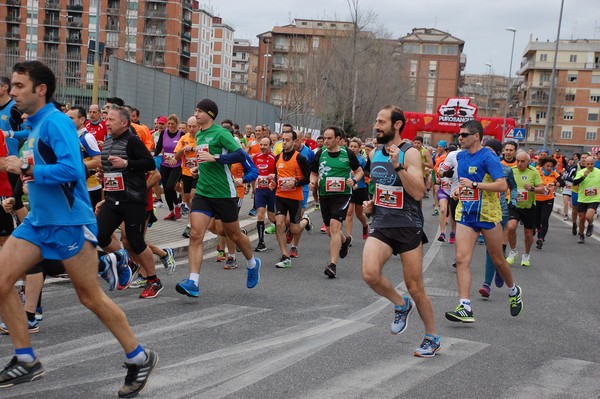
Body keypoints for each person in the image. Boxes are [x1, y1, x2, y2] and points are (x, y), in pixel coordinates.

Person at [0, 61, 157, 396]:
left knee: (90, 297)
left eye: (18, 86)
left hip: (69, 223)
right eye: (11, 86)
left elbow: (71, 170)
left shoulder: (56, 122)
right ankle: (25, 358)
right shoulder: (35, 124)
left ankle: (139, 356)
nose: (11, 92)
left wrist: (26, 166)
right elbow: (33, 166)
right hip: (37, 223)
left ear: (40, 89)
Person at [361, 105, 440, 357]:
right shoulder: (374, 153)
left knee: (415, 286)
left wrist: (399, 166)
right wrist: (371, 204)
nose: (377, 125)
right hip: (382, 223)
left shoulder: (411, 153)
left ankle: (432, 337)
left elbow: (418, 192)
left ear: (396, 125)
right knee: (370, 274)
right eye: (376, 120)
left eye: (382, 121)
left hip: (408, 225)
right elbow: (380, 186)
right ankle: (400, 303)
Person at [176, 99, 261, 298]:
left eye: (199, 111)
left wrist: (216, 159)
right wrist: (200, 168)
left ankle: (252, 263)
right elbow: (206, 159)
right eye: (195, 110)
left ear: (210, 114)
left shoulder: (221, 134)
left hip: (224, 193)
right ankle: (193, 282)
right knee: (196, 234)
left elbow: (240, 155)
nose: (195, 114)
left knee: (233, 235)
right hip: (204, 193)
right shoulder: (200, 135)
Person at [445, 120, 523, 323]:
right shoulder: (460, 156)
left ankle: (513, 291)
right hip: (466, 213)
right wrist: (458, 191)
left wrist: (476, 184)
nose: (459, 138)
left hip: (488, 214)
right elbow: (463, 185)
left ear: (476, 136)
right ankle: (465, 306)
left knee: (497, 259)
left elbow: (501, 185)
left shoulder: (488, 157)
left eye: (463, 135)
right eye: (458, 135)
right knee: (462, 259)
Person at [96, 106, 163, 299]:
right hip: (113, 198)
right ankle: (127, 263)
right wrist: (104, 176)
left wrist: (127, 164)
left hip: (133, 199)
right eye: (106, 119)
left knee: (135, 241)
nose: (107, 122)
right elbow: (111, 171)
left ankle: (153, 280)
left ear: (124, 123)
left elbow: (149, 164)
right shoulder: (108, 143)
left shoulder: (132, 140)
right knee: (99, 236)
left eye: (111, 120)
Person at [310, 126, 363, 278]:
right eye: (324, 138)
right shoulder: (321, 153)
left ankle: (332, 265)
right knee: (330, 231)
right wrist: (313, 182)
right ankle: (345, 240)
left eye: (329, 138)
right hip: (325, 195)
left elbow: (359, 171)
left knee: (334, 226)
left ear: (338, 139)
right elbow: (313, 173)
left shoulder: (348, 154)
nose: (325, 141)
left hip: (343, 195)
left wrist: (353, 180)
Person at [477, 139, 518, 298]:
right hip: (482, 211)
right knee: (491, 249)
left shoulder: (505, 170)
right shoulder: (478, 167)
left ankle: (488, 283)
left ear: (497, 153)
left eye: (491, 151)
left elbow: (513, 187)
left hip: (501, 211)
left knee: (493, 250)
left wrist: (513, 200)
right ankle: (495, 273)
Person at [269, 130, 311, 269]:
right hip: (280, 196)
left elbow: (307, 178)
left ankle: (306, 221)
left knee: (294, 229)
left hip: (295, 198)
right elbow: (276, 176)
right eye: (283, 140)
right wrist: (273, 184)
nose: (284, 142)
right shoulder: (277, 158)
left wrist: (295, 183)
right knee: (279, 223)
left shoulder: (300, 158)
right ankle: (285, 256)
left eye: (287, 140)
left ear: (294, 142)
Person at [505, 150, 544, 267]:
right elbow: (504, 185)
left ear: (528, 162)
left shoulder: (534, 172)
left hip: (528, 206)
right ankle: (513, 251)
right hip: (514, 204)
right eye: (518, 161)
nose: (519, 163)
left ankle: (526, 254)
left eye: (522, 161)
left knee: (528, 234)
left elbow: (541, 189)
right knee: (511, 227)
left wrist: (532, 189)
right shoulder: (511, 171)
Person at [66, 106, 102, 209]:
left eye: (71, 118)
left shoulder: (87, 137)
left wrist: (74, 166)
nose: (67, 121)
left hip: (90, 188)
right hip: (75, 187)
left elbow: (98, 161)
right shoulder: (69, 136)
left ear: (82, 120)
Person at [154, 114, 183, 220]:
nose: (171, 126)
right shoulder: (164, 133)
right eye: (169, 123)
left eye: (173, 124)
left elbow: (183, 149)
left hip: (176, 165)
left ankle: (177, 206)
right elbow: (159, 148)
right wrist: (153, 154)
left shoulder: (181, 134)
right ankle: (172, 211)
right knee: (166, 189)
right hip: (165, 164)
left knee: (170, 186)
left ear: (177, 124)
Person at [252, 137, 276, 252]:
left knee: (272, 217)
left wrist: (274, 176)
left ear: (270, 146)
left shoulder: (275, 158)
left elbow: (279, 174)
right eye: (261, 145)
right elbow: (252, 173)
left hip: (271, 191)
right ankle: (261, 242)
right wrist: (252, 188)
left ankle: (283, 228)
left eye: (265, 145)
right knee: (260, 214)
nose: (262, 147)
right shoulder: (256, 157)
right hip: (260, 191)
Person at [534, 156, 563, 249]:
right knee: (537, 219)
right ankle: (538, 229)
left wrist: (555, 184)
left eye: (551, 166)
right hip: (537, 198)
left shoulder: (554, 174)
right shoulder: (536, 171)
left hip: (548, 199)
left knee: (544, 218)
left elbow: (562, 183)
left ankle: (541, 239)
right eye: (547, 166)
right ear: (543, 165)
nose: (549, 168)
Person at [345, 138, 370, 240]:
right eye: (351, 146)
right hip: (349, 187)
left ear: (359, 148)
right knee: (349, 212)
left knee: (359, 214)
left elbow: (365, 173)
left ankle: (365, 225)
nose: (353, 148)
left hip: (360, 188)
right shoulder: (345, 158)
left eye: (355, 147)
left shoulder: (362, 160)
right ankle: (348, 237)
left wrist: (356, 178)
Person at [573, 155, 600, 243]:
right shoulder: (581, 172)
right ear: (585, 163)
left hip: (594, 198)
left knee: (589, 216)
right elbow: (575, 183)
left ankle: (590, 225)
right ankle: (581, 235)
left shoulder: (598, 172)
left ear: (594, 163)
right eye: (588, 164)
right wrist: (583, 177)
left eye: (592, 164)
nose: (590, 166)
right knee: (581, 219)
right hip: (583, 198)